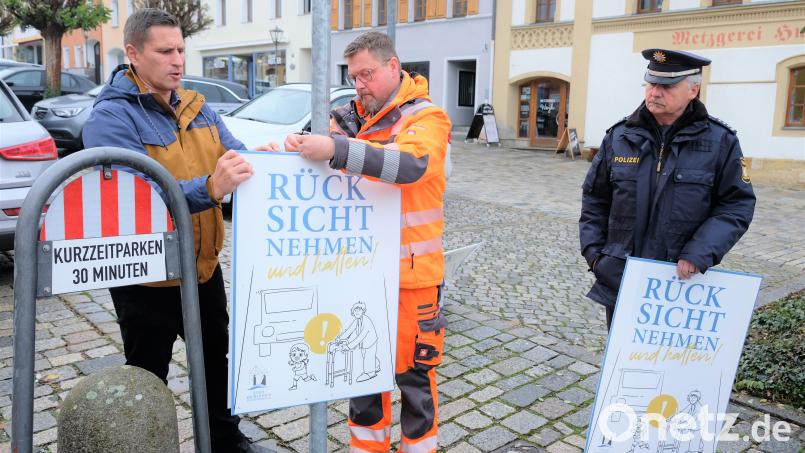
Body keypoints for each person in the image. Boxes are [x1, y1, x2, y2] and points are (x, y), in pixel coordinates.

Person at [82, 9, 266, 453]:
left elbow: (237, 154)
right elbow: (134, 198)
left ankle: (225, 440)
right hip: (146, 277)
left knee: (216, 362)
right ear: (133, 54)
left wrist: (275, 159)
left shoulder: (196, 106)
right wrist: (211, 187)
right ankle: (150, 443)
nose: (178, 59)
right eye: (165, 51)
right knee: (147, 372)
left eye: (181, 49)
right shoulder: (110, 119)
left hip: (202, 269)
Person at [281, 31, 451, 453]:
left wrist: (335, 149)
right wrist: (286, 150)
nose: (359, 84)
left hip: (411, 280)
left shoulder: (428, 118)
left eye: (367, 74)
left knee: (415, 383)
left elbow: (410, 165)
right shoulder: (346, 118)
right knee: (361, 378)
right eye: (353, 76)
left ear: (393, 67)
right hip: (356, 274)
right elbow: (312, 160)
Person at [579, 48, 756, 330]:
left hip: (680, 282)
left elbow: (736, 205)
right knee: (622, 360)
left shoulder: (721, 141)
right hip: (622, 275)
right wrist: (595, 254)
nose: (655, 92)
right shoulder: (620, 136)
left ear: (693, 90)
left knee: (671, 362)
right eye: (651, 83)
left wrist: (699, 252)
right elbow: (595, 200)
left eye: (666, 86)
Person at [334, 301, 380, 382]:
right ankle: (376, 366)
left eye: (359, 310)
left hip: (370, 341)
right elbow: (349, 330)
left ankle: (370, 372)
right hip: (365, 342)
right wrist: (340, 338)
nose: (357, 312)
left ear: (363, 311)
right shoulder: (357, 320)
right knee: (366, 354)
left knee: (368, 355)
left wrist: (348, 346)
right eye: (355, 310)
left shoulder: (366, 321)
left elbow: (360, 337)